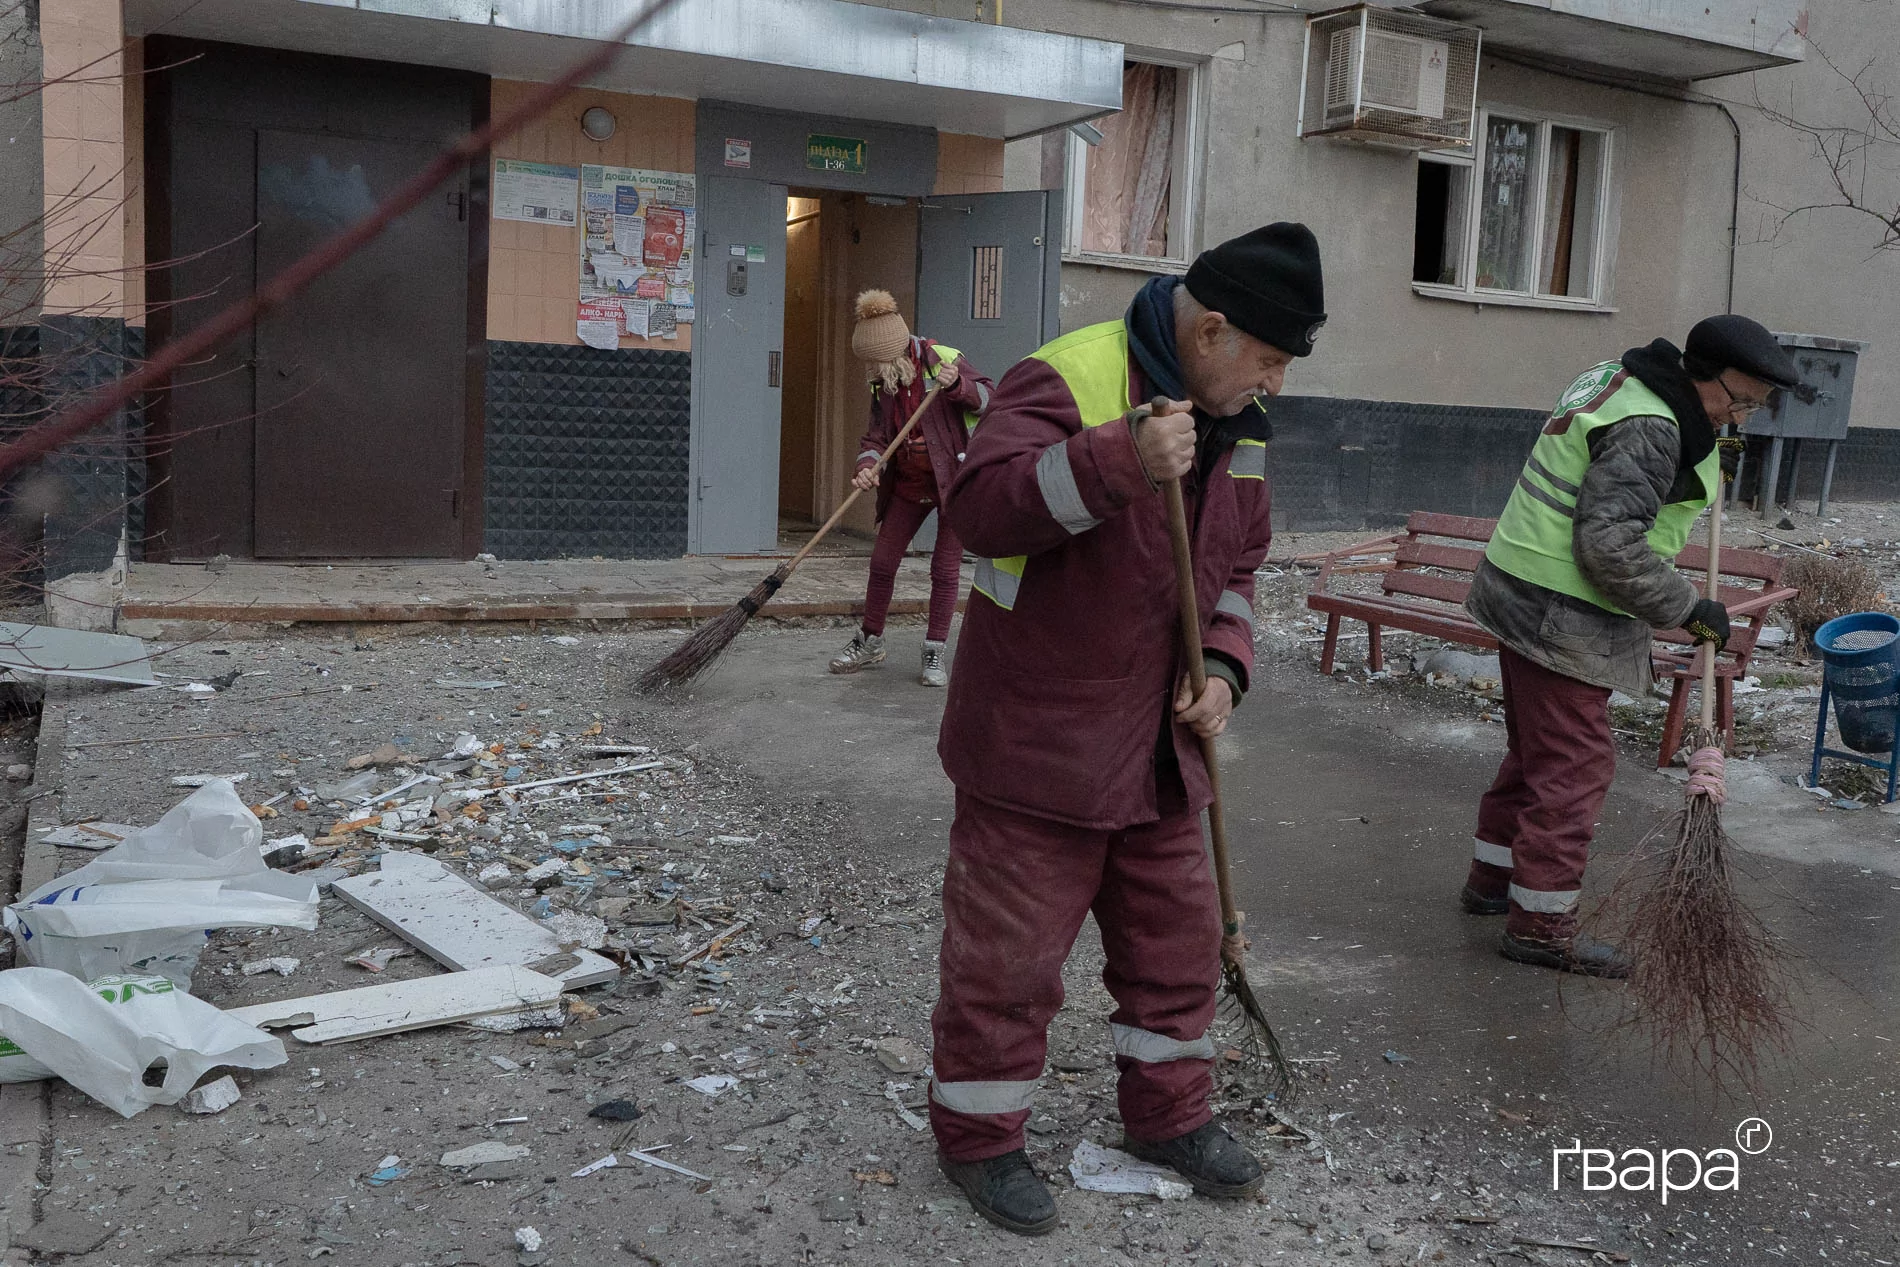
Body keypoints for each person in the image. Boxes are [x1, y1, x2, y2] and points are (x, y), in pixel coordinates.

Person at [926, 224, 1326, 1235]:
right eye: (1268, 360)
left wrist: (1227, 668)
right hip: (1037, 747)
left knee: (1178, 948)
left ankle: (1168, 1119)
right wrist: (1113, 460)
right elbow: (979, 510)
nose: (1273, 383)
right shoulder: (1068, 378)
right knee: (1007, 968)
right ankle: (978, 1139)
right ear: (1212, 329)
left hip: (1159, 755)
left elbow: (1240, 567)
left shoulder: (1246, 425)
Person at [1460, 315, 1801, 977]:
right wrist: (1688, 609)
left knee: (1537, 755)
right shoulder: (1653, 425)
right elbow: (1609, 546)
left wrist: (1704, 452)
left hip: (1521, 587)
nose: (1743, 416)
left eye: (1756, 406)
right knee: (1575, 767)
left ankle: (1492, 883)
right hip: (1559, 609)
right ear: (1703, 373)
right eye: (1740, 400)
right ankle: (1540, 926)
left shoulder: (1630, 382)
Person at [827, 290, 992, 687]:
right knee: (883, 562)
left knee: (944, 568)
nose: (873, 371)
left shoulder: (944, 360)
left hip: (953, 481)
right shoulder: (884, 381)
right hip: (908, 482)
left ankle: (935, 648)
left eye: (877, 362)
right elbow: (876, 437)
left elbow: (991, 399)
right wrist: (868, 467)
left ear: (898, 351)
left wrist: (957, 388)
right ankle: (870, 640)